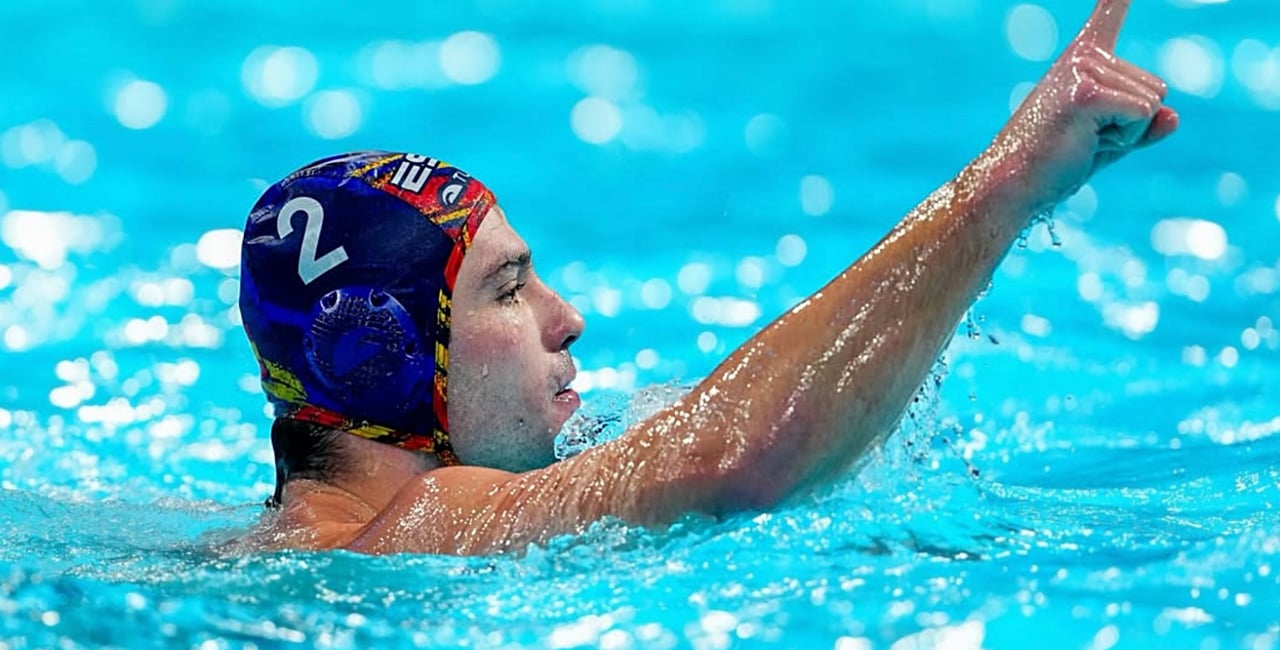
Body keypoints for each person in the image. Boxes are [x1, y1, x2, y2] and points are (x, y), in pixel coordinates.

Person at [236, 0, 1177, 556]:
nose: (568, 318)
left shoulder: (249, 546)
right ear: (383, 359)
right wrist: (1008, 183)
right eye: (508, 288)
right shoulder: (423, 524)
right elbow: (735, 459)